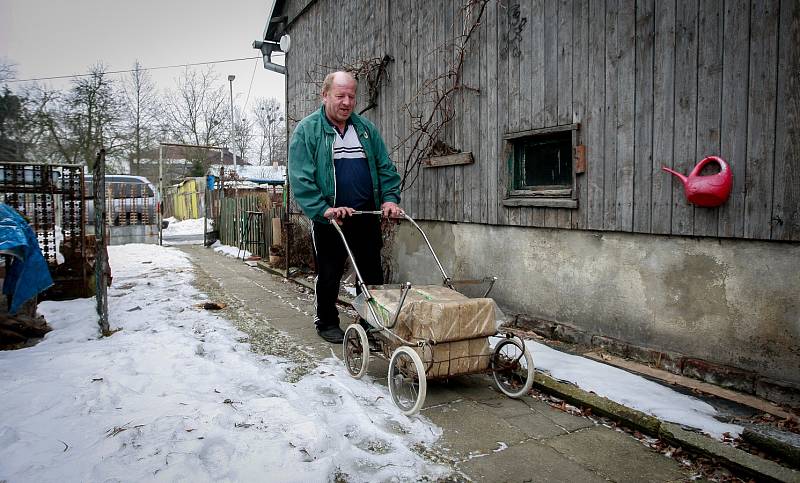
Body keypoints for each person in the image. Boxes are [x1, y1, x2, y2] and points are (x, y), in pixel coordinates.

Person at [288, 71, 403, 344]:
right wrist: (322, 209)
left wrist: (389, 199)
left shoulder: (365, 130)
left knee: (372, 273)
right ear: (325, 95)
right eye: (340, 95)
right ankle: (326, 322)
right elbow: (301, 177)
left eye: (351, 95)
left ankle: (371, 323)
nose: (347, 102)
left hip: (365, 214)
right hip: (331, 218)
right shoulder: (308, 131)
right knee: (329, 272)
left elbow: (385, 168)